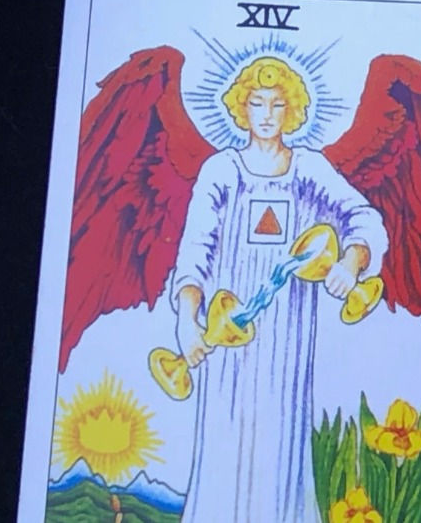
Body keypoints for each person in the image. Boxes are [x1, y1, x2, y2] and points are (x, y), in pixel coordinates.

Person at [166, 56, 387, 523]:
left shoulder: (309, 170)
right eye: (257, 102)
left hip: (287, 344)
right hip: (226, 345)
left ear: (294, 110)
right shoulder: (221, 172)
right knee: (224, 447)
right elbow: (193, 256)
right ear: (240, 108)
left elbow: (365, 219)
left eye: (278, 103)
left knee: (282, 446)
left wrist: (351, 259)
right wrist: (187, 321)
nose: (267, 113)